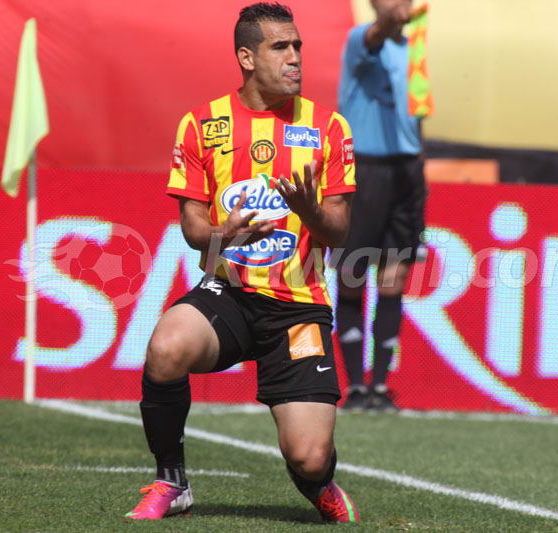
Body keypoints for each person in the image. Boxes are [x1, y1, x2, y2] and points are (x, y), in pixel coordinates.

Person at [124, 2, 359, 523]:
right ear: (247, 57)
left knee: (309, 455)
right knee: (165, 347)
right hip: (227, 292)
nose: (295, 57)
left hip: (298, 307)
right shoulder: (201, 123)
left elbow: (340, 231)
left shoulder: (329, 127)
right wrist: (219, 234)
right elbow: (192, 229)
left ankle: (320, 484)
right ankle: (172, 481)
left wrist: (309, 210)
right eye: (281, 47)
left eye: (298, 46)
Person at [336, 0, 427, 412]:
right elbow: (379, 31)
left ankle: (380, 386)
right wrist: (391, 15)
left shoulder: (414, 48)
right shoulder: (362, 40)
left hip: (406, 170)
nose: (402, 5)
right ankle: (355, 385)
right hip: (365, 169)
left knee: (395, 279)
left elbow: (415, 114)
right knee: (353, 273)